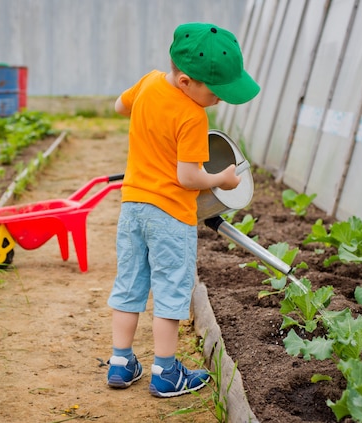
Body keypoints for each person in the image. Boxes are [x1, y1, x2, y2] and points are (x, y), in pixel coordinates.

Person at [106, 22, 260, 398]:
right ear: (187, 81)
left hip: (133, 208)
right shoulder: (193, 117)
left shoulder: (149, 82)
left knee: (129, 286)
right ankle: (165, 372)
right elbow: (188, 177)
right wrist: (222, 179)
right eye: (216, 91)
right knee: (171, 291)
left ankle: (121, 362)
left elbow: (118, 106)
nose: (221, 99)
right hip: (170, 216)